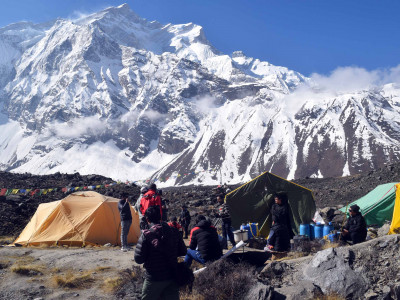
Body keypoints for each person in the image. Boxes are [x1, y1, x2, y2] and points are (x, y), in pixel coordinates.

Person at [134, 206, 187, 300]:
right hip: (172, 275)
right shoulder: (174, 231)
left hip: (154, 277)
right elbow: (183, 251)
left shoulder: (146, 235)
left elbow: (138, 259)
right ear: (160, 217)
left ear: (147, 219)